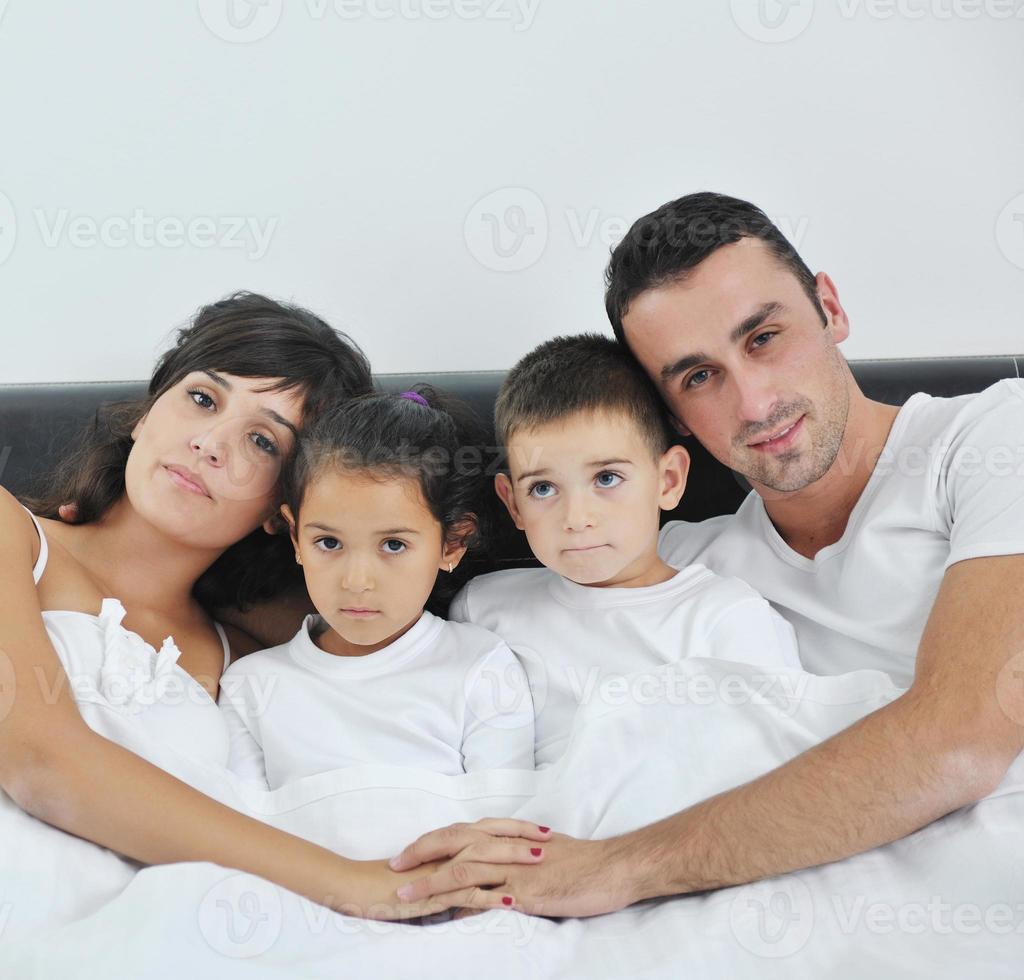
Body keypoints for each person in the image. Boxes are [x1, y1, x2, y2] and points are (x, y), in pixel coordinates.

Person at [388, 192, 1024, 917]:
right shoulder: (677, 565)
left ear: (831, 309)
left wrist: (618, 869)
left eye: (763, 338)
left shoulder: (992, 441)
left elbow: (963, 737)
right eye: (698, 377)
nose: (753, 403)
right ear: (672, 429)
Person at [0, 291, 551, 935]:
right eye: (203, 400)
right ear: (148, 409)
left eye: (262, 440)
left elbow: (416, 659)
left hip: (133, 938)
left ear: (290, 510)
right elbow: (38, 764)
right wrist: (353, 886)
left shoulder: (248, 655)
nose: (210, 444)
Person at [448, 333, 801, 768]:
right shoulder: (483, 609)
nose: (576, 517)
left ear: (667, 480)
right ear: (513, 503)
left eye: (607, 479)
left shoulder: (725, 618)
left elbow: (777, 768)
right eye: (543, 488)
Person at [221, 386, 536, 790]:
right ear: (297, 538)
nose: (356, 581)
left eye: (393, 545)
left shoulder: (481, 667)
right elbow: (243, 831)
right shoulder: (251, 686)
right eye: (329, 543)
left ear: (452, 542)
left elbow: (502, 818)